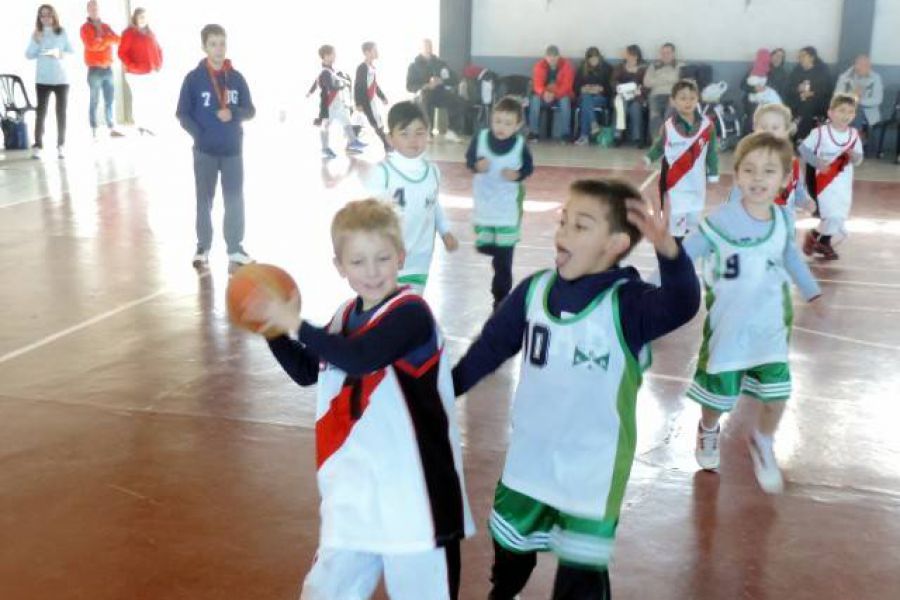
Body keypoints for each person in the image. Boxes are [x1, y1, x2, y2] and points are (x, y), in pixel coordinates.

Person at [452, 179, 700, 599]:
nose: (563, 233)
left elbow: (682, 304)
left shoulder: (630, 305)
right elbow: (490, 348)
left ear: (617, 244)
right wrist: (442, 391)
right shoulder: (534, 292)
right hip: (531, 458)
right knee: (510, 553)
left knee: (580, 579)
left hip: (593, 471)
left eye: (581, 226)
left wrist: (670, 252)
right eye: (564, 221)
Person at [241, 198, 474, 599]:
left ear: (401, 257)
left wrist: (293, 321)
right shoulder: (342, 318)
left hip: (415, 503)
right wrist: (271, 329)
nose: (371, 272)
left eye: (382, 258)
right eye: (358, 261)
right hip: (354, 498)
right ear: (340, 267)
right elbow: (304, 371)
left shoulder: (412, 314)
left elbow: (362, 357)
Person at [685, 132, 822, 494]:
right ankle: (708, 429)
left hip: (769, 326)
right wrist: (658, 284)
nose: (758, 178)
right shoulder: (722, 220)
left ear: (784, 179)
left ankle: (763, 439)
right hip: (728, 326)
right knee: (718, 398)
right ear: (737, 175)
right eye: (749, 170)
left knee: (777, 392)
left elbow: (791, 256)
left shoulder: (782, 220)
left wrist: (813, 292)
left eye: (768, 171)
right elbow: (685, 253)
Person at [176, 24, 256, 269]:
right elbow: (182, 113)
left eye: (222, 43)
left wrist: (232, 113)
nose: (218, 49)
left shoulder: (237, 78)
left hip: (233, 150)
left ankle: (235, 248)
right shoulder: (193, 79)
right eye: (213, 44)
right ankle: (203, 246)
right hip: (205, 151)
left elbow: (250, 110)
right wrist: (199, 135)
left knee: (234, 199)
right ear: (204, 47)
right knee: (204, 199)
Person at [365, 101, 459, 293]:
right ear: (390, 138)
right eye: (404, 133)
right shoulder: (382, 173)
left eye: (419, 132)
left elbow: (433, 204)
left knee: (411, 309)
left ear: (428, 134)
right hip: (389, 257)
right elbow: (369, 217)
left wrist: (445, 231)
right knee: (388, 310)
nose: (413, 140)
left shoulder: (432, 172)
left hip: (421, 256)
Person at [465, 96, 534, 309]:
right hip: (485, 206)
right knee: (486, 247)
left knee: (504, 260)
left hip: (507, 208)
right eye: (497, 121)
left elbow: (528, 167)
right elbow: (469, 160)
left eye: (507, 123)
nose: (501, 127)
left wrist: (518, 174)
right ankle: (497, 254)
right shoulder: (482, 138)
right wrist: (477, 165)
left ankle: (501, 299)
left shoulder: (520, 145)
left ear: (518, 125)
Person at [643, 79, 719, 240]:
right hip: (674, 187)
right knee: (675, 232)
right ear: (673, 101)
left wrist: (713, 176)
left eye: (692, 98)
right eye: (683, 98)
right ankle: (673, 259)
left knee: (692, 231)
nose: (688, 102)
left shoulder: (707, 125)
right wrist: (647, 159)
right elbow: (658, 148)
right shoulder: (669, 126)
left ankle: (687, 260)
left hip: (697, 186)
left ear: (697, 99)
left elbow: (712, 153)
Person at [799, 93, 863, 260]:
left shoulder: (854, 135)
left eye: (850, 112)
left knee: (839, 215)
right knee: (832, 214)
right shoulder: (820, 133)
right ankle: (819, 240)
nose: (845, 115)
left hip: (843, 183)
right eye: (841, 110)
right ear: (831, 113)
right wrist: (818, 162)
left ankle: (818, 239)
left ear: (854, 115)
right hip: (823, 182)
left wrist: (854, 156)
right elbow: (803, 150)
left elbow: (859, 159)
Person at [25, 4, 74, 160]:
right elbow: (29, 55)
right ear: (39, 18)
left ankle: (61, 146)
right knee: (41, 113)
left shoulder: (62, 32)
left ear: (54, 16)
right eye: (42, 15)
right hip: (43, 80)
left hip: (61, 79)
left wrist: (59, 53)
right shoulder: (37, 33)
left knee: (61, 113)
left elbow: (71, 52)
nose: (45, 18)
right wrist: (36, 41)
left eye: (48, 15)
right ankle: (38, 146)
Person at [406, 39, 467, 142]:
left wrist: (441, 81)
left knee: (457, 101)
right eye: (425, 46)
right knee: (425, 99)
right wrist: (425, 85)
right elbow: (409, 86)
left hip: (439, 92)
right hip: (424, 94)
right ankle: (427, 132)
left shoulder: (440, 63)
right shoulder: (413, 66)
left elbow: (454, 79)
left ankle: (451, 131)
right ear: (420, 48)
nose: (428, 48)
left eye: (429, 46)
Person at [119, 7, 164, 135]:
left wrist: (159, 63)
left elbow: (159, 49)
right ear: (135, 18)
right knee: (140, 99)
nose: (143, 19)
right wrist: (132, 66)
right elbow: (122, 52)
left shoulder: (150, 32)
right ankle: (140, 126)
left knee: (150, 99)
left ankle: (148, 125)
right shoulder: (129, 33)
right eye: (140, 17)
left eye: (145, 17)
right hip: (136, 74)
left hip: (150, 72)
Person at [316, 44, 366, 159]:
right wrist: (341, 84)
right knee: (326, 126)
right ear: (326, 56)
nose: (335, 56)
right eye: (333, 54)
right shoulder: (325, 72)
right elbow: (330, 88)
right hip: (329, 106)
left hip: (337, 104)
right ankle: (325, 148)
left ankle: (353, 141)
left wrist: (342, 82)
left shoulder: (331, 70)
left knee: (346, 121)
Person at [80, 1, 121, 138]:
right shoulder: (85, 28)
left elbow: (118, 40)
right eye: (91, 8)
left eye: (96, 7)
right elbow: (91, 46)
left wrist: (102, 39)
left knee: (109, 99)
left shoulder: (106, 26)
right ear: (88, 10)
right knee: (94, 100)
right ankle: (94, 129)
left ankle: (111, 128)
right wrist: (107, 39)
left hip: (108, 69)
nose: (94, 10)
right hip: (94, 70)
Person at [526, 45, 575, 141]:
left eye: (554, 56)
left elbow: (567, 86)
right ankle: (533, 132)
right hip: (544, 96)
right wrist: (544, 93)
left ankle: (565, 133)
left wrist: (555, 94)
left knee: (565, 101)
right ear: (545, 57)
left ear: (558, 56)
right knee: (535, 99)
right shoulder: (539, 66)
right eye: (549, 56)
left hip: (560, 95)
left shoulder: (566, 66)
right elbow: (537, 85)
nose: (552, 59)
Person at [786, 46, 832, 140]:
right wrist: (798, 89)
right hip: (798, 99)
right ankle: (793, 134)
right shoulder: (797, 70)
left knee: (807, 105)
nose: (800, 59)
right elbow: (788, 88)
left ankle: (801, 136)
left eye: (803, 56)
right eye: (799, 57)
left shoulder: (822, 70)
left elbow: (827, 89)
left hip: (818, 101)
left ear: (812, 57)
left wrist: (812, 93)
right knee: (791, 104)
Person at [834, 54, 884, 139]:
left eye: (867, 65)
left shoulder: (876, 78)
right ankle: (855, 138)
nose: (866, 68)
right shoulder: (845, 77)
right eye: (862, 65)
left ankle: (852, 138)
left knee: (857, 109)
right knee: (851, 110)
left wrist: (859, 100)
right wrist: (851, 96)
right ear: (855, 65)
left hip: (867, 113)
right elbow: (837, 95)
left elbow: (878, 100)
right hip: (845, 109)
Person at [354, 41, 390, 152]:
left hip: (371, 100)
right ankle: (386, 145)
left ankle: (351, 144)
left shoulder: (372, 68)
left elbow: (374, 85)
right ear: (367, 52)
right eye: (375, 50)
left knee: (359, 121)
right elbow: (358, 86)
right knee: (375, 122)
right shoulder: (362, 67)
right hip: (365, 101)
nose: (377, 52)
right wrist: (358, 103)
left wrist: (382, 96)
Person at [643, 43, 685, 139]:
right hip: (656, 95)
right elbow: (646, 82)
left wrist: (658, 79)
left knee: (669, 113)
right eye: (662, 53)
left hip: (673, 95)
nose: (665, 55)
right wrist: (670, 79)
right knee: (655, 114)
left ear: (673, 54)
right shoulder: (654, 66)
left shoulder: (681, 66)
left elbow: (683, 82)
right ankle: (657, 140)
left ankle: (668, 139)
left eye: (668, 53)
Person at [574, 47, 613, 145]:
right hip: (585, 96)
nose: (593, 61)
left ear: (599, 58)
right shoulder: (582, 68)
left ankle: (584, 136)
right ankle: (593, 123)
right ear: (587, 60)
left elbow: (611, 88)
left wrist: (601, 89)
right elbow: (575, 86)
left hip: (600, 98)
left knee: (586, 104)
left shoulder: (607, 68)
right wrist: (582, 88)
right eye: (591, 59)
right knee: (586, 99)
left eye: (596, 59)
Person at [612, 44, 648, 147]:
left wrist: (639, 90)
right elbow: (613, 81)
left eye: (631, 55)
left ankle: (637, 138)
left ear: (636, 56)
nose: (629, 57)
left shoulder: (644, 68)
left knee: (635, 108)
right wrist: (619, 88)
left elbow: (647, 84)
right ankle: (617, 135)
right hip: (622, 95)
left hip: (637, 96)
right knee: (621, 105)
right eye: (627, 55)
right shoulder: (620, 67)